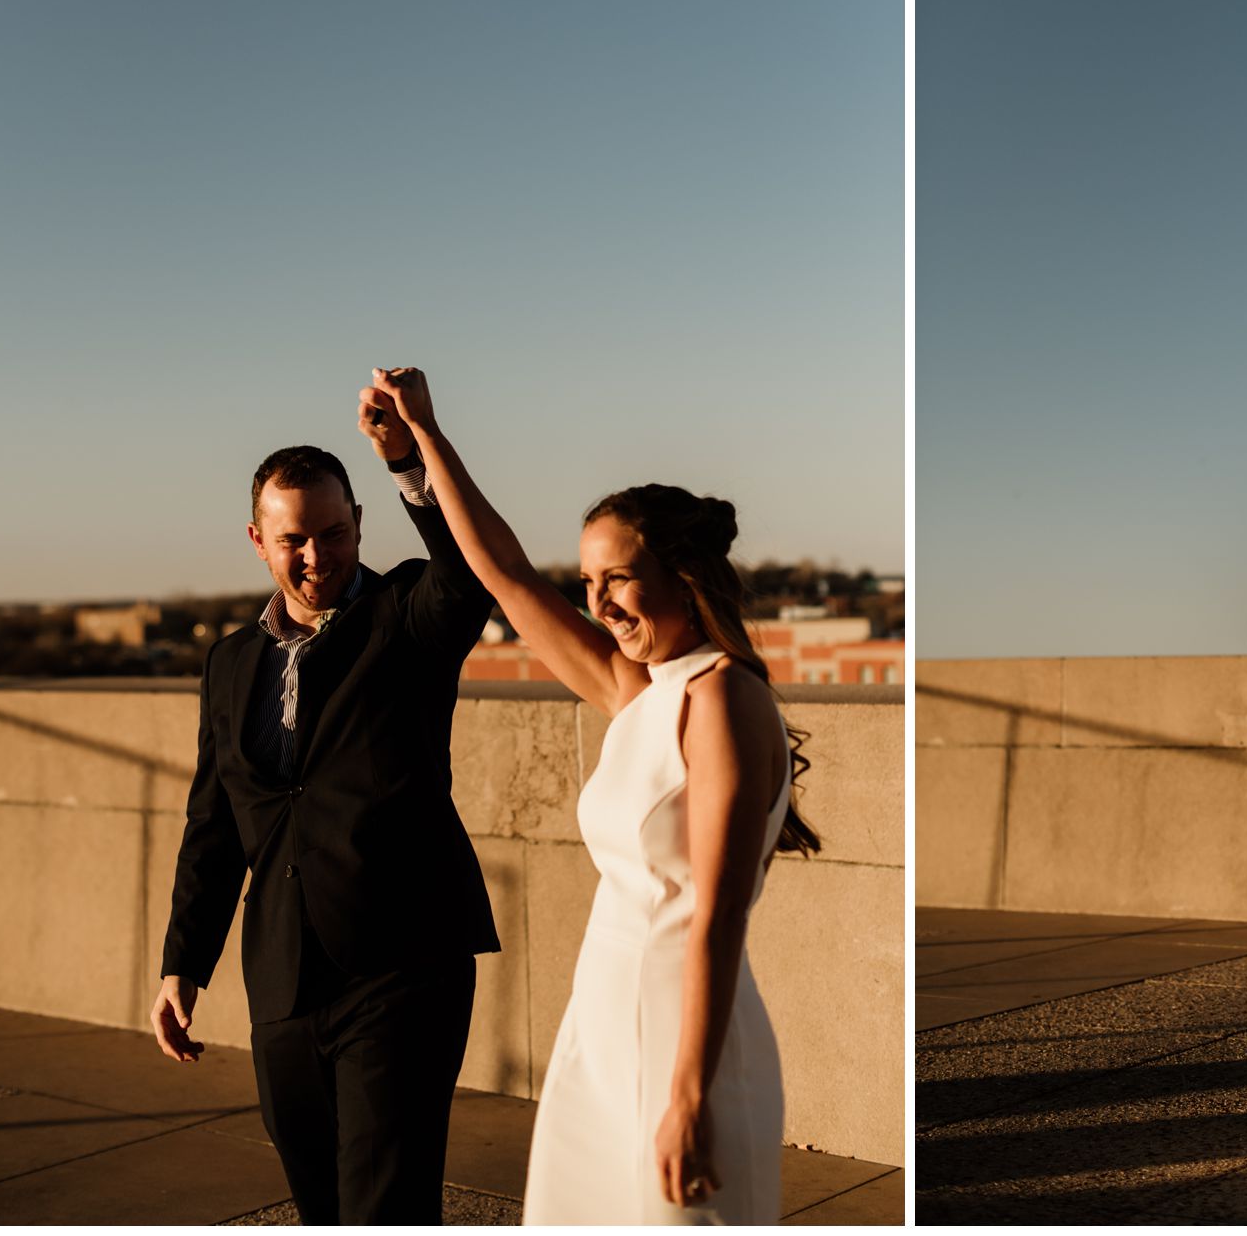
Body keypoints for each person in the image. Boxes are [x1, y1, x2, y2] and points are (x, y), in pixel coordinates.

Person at [361, 365, 818, 1225]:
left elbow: (717, 916)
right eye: (588, 582)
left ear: (684, 574)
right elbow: (504, 573)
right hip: (601, 1022)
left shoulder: (722, 696)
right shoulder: (637, 687)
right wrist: (422, 439)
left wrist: (689, 1097)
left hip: (685, 1043)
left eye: (620, 577)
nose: (600, 603)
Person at [149, 409, 501, 1223]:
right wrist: (183, 963)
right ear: (257, 540)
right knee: (321, 1204)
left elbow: (468, 574)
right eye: (294, 540)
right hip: (282, 975)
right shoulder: (230, 661)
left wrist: (409, 460)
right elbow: (214, 824)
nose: (317, 556)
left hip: (404, 963)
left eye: (335, 533)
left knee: (386, 1204)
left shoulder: (407, 614)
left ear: (361, 522)